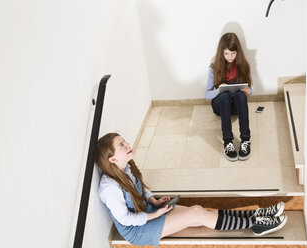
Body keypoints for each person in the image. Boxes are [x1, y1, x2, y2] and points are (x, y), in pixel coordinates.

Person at [96, 133, 288, 246]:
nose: (128, 144)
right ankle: (255, 224)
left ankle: (256, 214)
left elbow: (141, 189)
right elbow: (126, 220)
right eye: (121, 145)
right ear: (112, 159)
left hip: (147, 210)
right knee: (197, 212)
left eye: (124, 141)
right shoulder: (109, 188)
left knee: (201, 213)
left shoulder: (126, 167)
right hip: (137, 230)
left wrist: (154, 201)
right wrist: (156, 214)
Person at [205, 32, 253, 161]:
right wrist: (220, 90)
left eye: (233, 53)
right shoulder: (214, 67)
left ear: (238, 52)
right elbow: (207, 94)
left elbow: (250, 89)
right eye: (226, 54)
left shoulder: (243, 65)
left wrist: (248, 91)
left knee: (240, 96)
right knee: (225, 96)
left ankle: (245, 140)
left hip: (236, 106)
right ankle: (228, 141)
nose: (230, 57)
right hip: (220, 105)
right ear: (222, 53)